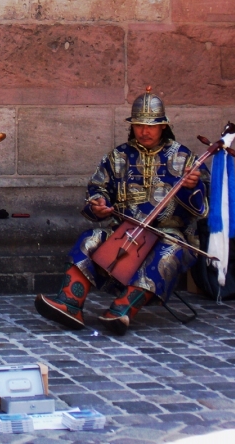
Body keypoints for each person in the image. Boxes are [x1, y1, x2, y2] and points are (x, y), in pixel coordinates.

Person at [35, 88, 209, 335]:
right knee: (91, 238)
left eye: (150, 126)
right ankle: (69, 303)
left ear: (163, 126)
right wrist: (99, 204)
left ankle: (121, 310)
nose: (144, 131)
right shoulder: (118, 156)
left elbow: (202, 205)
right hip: (126, 231)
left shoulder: (184, 157)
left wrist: (193, 186)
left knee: (169, 252)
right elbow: (97, 188)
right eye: (139, 125)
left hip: (168, 233)